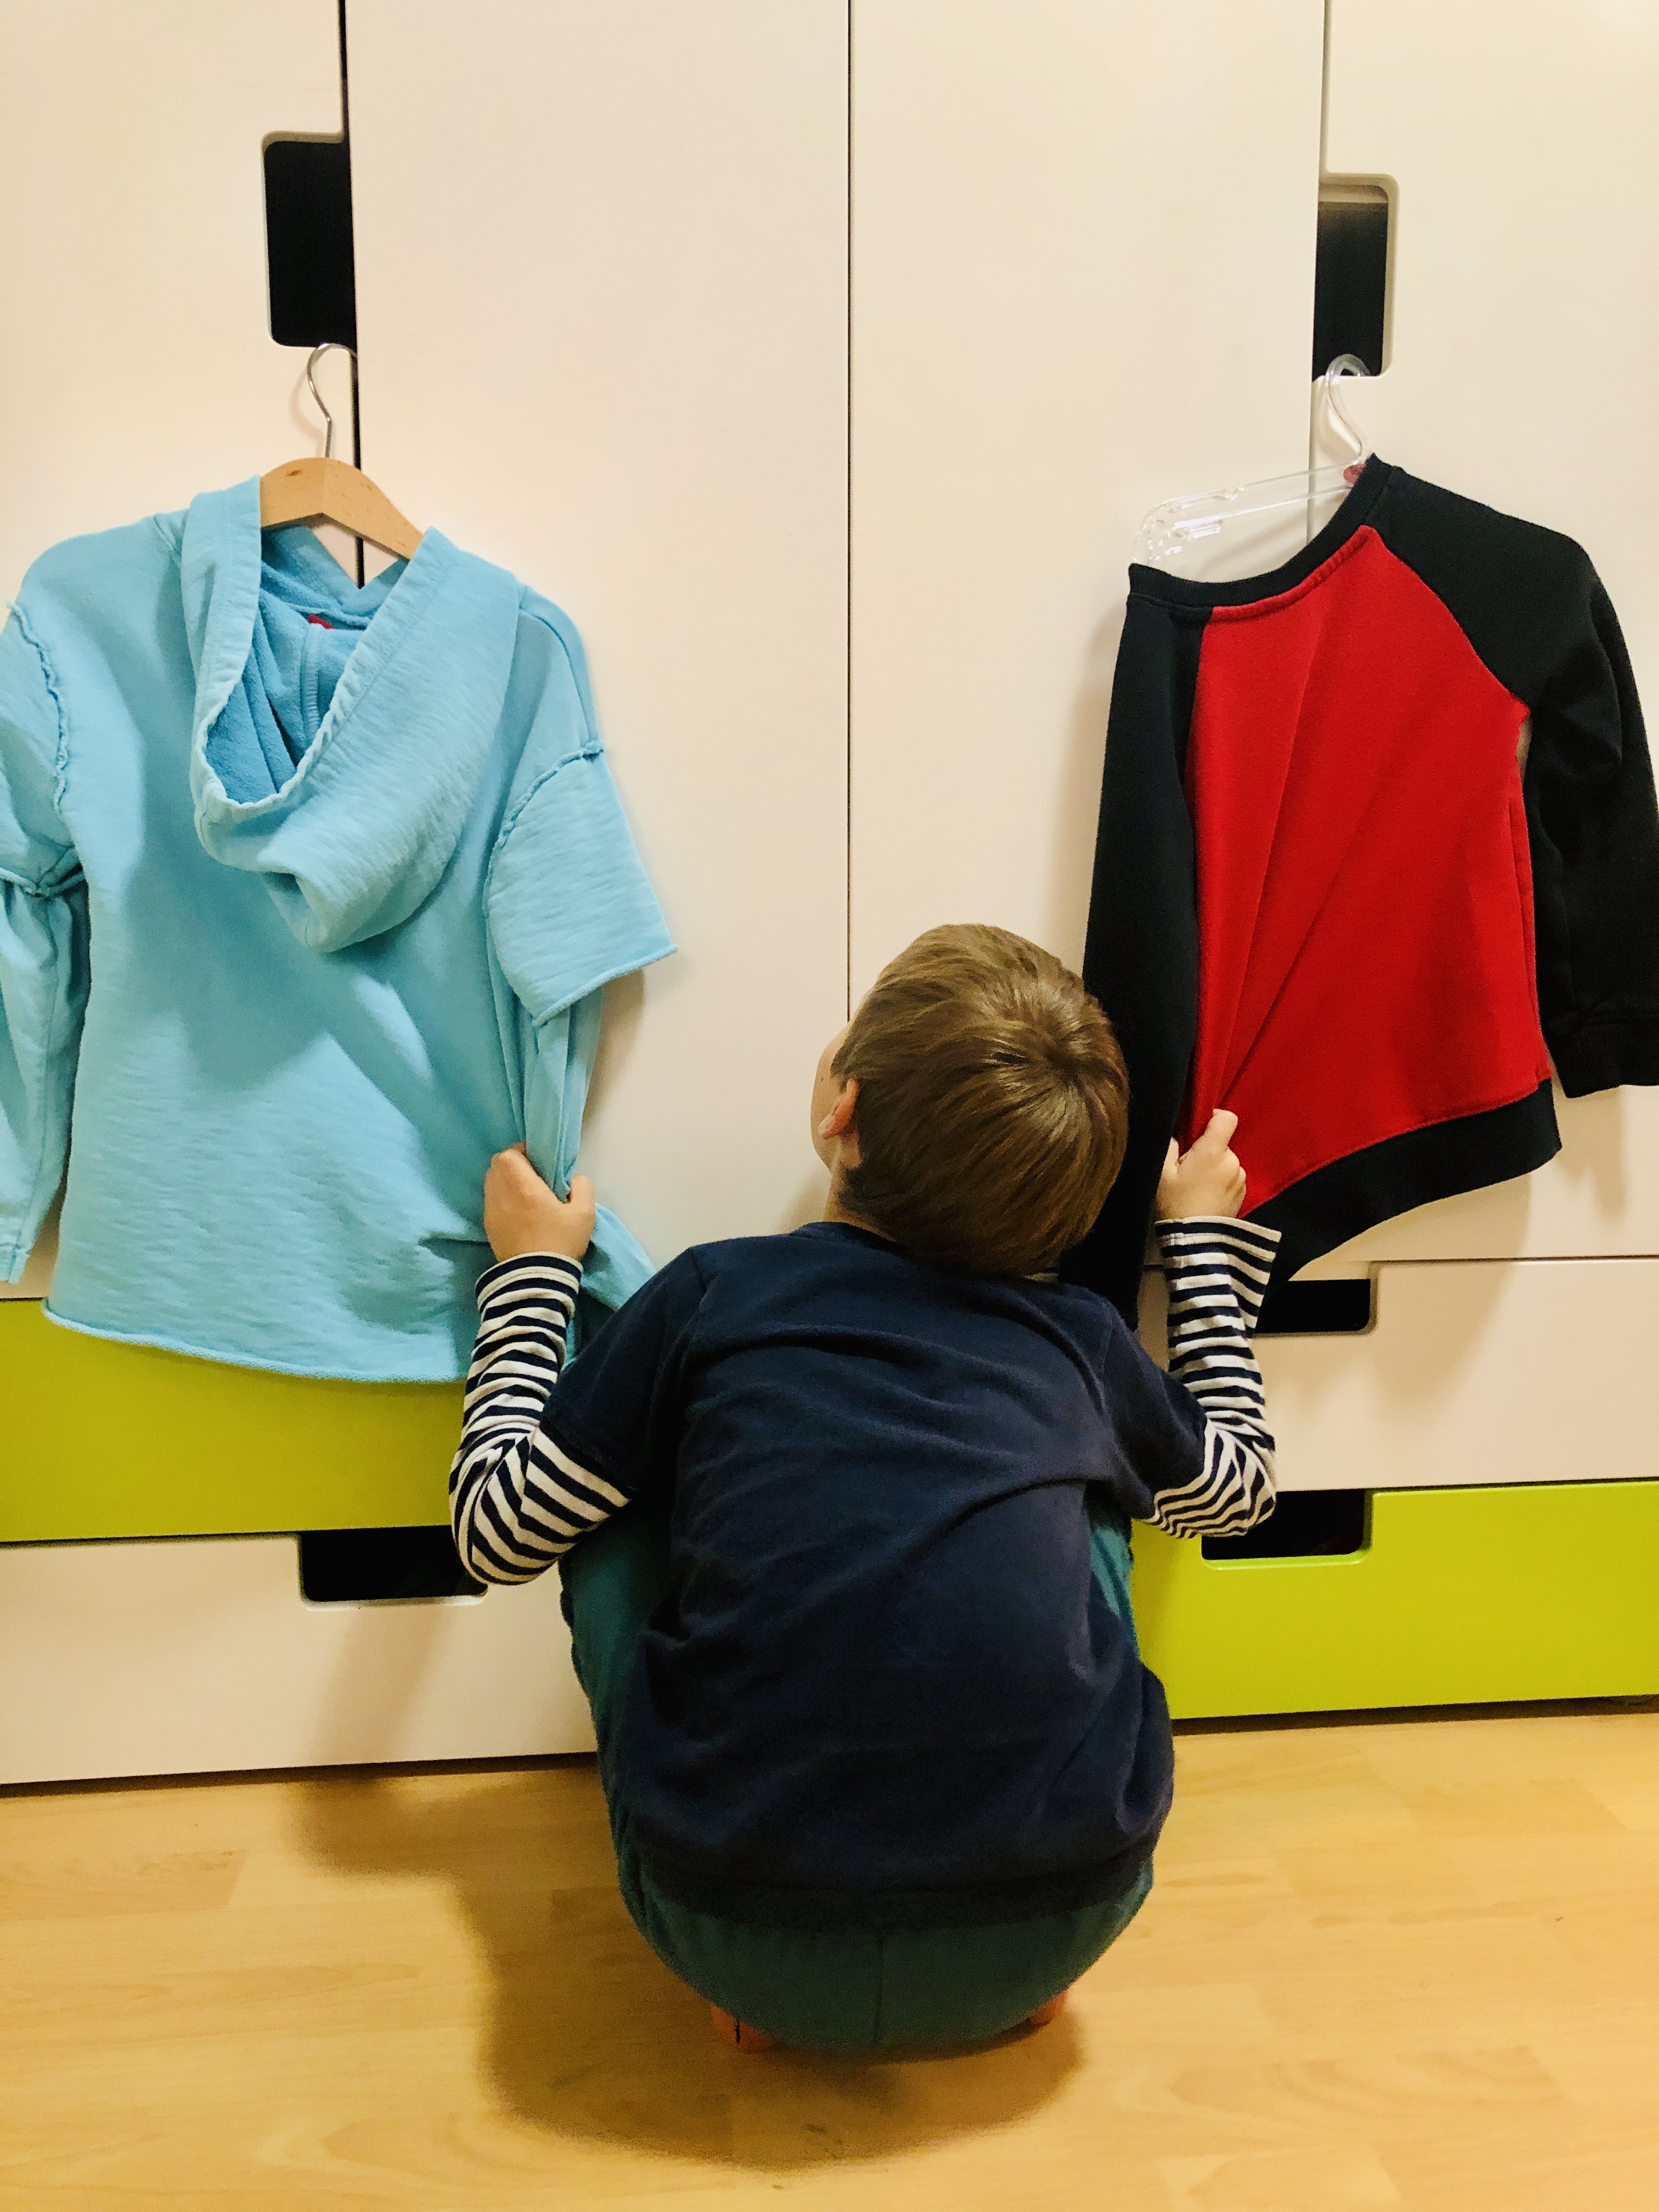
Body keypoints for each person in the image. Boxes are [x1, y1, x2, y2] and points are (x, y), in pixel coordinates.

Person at [450, 923, 1279, 2053]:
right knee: (1093, 1501)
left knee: (610, 1501)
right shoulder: (1080, 1340)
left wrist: (533, 1271)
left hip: (728, 1928)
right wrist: (1199, 1247)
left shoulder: (715, 1295)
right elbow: (1234, 1495)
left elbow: (495, 1529)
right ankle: (1000, 1972)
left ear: (842, 1112)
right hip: (1063, 1917)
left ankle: (773, 1978)